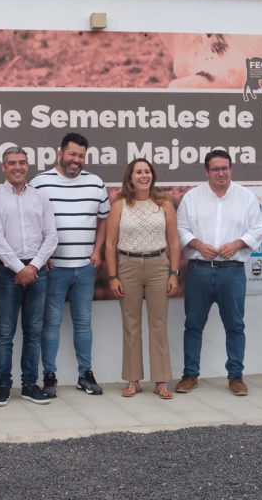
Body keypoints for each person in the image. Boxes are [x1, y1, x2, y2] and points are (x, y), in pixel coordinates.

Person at [175, 150, 262, 397]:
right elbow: (180, 229)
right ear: (206, 171)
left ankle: (236, 377)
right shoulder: (192, 197)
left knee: (235, 326)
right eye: (215, 169)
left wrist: (237, 244)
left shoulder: (246, 197)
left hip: (232, 272)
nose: (221, 173)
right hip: (199, 271)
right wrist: (197, 244)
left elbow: (257, 231)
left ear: (231, 169)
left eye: (225, 168)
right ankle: (190, 375)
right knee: (193, 325)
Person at [31, 133, 110, 397]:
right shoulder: (40, 183)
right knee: (50, 324)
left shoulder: (95, 183)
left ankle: (84, 375)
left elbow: (103, 220)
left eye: (81, 155)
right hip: (54, 270)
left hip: (86, 268)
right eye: (72, 154)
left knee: (83, 323)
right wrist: (43, 255)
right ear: (60, 153)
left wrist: (97, 251)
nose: (76, 160)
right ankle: (50, 377)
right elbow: (31, 223)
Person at [0, 147, 58, 406]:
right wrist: (20, 269)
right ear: (3, 167)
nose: (18, 167)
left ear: (28, 166)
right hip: (8, 273)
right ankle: (3, 387)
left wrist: (34, 267)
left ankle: (29, 385)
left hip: (37, 272)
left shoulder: (40, 197)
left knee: (33, 332)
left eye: (22, 162)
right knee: (5, 332)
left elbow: (52, 236)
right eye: (12, 163)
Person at [105, 159, 181, 399]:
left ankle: (160, 381)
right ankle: (133, 380)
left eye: (147, 171)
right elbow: (109, 244)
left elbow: (174, 242)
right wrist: (112, 276)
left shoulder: (164, 204)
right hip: (127, 266)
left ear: (152, 176)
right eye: (138, 172)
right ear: (130, 177)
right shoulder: (119, 206)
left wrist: (174, 273)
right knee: (131, 324)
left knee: (158, 324)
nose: (143, 175)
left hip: (159, 266)